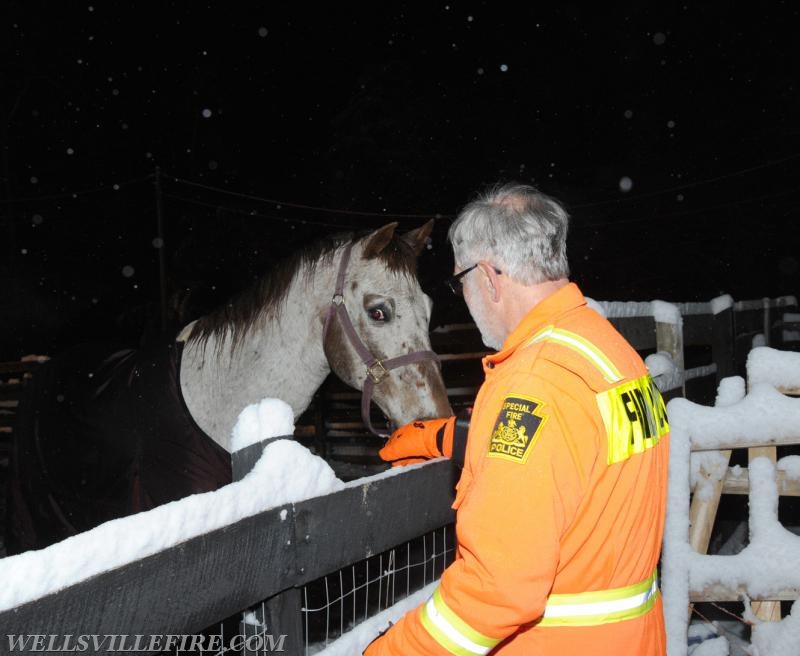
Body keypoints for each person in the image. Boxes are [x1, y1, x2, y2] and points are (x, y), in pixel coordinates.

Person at [364, 183, 670, 655]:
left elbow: (499, 587)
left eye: (458, 282)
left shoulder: (534, 383)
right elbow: (573, 453)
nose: (463, 296)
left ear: (488, 276)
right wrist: (452, 438)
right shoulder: (605, 348)